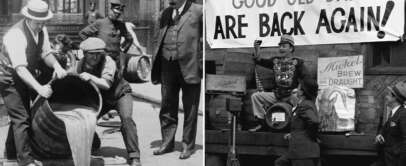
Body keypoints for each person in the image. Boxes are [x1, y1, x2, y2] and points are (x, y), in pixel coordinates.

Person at [0, 0, 67, 165]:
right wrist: (39, 88)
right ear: (28, 18)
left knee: (23, 114)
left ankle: (10, 153)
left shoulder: (41, 29)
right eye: (38, 22)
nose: (41, 25)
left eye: (43, 22)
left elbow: (45, 53)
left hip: (23, 74)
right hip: (8, 76)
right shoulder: (16, 35)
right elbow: (20, 68)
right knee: (21, 117)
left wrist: (57, 65)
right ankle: (26, 161)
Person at [73, 37, 141, 166]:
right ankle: (94, 142)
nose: (95, 57)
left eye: (98, 54)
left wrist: (90, 77)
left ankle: (134, 156)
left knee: (127, 119)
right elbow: (73, 77)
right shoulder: (80, 64)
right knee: (85, 119)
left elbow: (106, 84)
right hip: (102, 98)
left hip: (120, 94)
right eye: (91, 54)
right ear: (85, 54)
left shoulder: (108, 61)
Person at [150, 0, 203, 159]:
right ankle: (167, 142)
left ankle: (188, 145)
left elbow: (207, 38)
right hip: (167, 65)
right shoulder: (164, 13)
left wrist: (201, 62)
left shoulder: (199, 11)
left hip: (190, 65)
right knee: (167, 105)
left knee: (191, 108)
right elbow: (157, 38)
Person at [249, 35, 311, 132]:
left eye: (284, 46)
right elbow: (258, 61)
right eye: (280, 46)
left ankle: (298, 129)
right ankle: (262, 123)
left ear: (291, 48)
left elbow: (306, 78)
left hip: (291, 95)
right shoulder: (275, 61)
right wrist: (257, 49)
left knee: (301, 105)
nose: (281, 49)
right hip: (277, 95)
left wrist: (299, 90)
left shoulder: (297, 62)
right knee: (256, 97)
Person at [275, 78, 320, 166]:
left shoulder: (305, 104)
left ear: (302, 92)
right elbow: (302, 124)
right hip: (299, 151)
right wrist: (294, 133)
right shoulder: (304, 104)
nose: (296, 90)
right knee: (279, 163)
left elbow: (314, 121)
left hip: (303, 152)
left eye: (299, 88)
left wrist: (308, 136)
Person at [372, 82, 406, 166]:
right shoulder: (393, 113)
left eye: (388, 95)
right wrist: (380, 134)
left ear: (394, 98)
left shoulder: (403, 114)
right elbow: (385, 128)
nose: (386, 97)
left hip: (394, 161)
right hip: (385, 158)